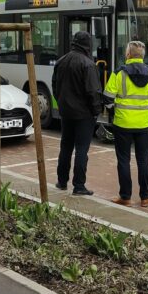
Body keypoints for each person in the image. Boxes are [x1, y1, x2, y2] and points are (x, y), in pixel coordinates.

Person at [104, 41, 148, 208]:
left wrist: (114, 112)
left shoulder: (119, 73)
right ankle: (145, 198)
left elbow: (108, 98)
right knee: (143, 160)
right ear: (142, 56)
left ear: (128, 55)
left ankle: (125, 196)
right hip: (143, 123)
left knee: (123, 160)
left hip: (122, 123)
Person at [52, 31, 102, 196]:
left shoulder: (61, 60)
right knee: (82, 149)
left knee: (65, 147)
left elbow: (55, 86)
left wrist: (61, 103)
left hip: (66, 112)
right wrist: (96, 112)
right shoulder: (88, 64)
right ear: (87, 44)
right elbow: (93, 92)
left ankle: (61, 181)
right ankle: (79, 185)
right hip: (83, 115)